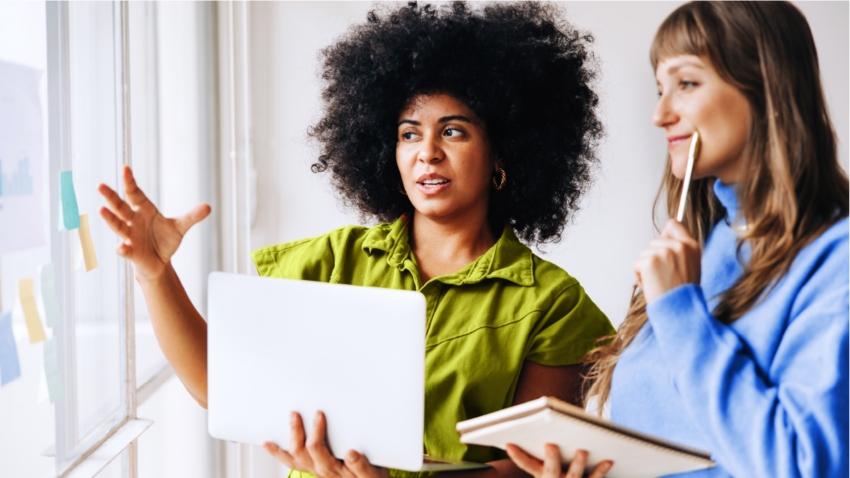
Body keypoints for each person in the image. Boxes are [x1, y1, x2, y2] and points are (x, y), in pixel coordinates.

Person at [97, 2, 616, 478]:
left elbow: (525, 471)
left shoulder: (553, 305)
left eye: (453, 131)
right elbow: (220, 387)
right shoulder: (332, 261)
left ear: (504, 151)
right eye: (409, 133)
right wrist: (155, 272)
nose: (427, 153)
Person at [506, 2, 849, 477]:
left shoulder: (837, 260)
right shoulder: (702, 249)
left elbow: (803, 466)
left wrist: (681, 312)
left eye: (686, 84)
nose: (660, 114)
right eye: (659, 89)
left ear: (767, 87)